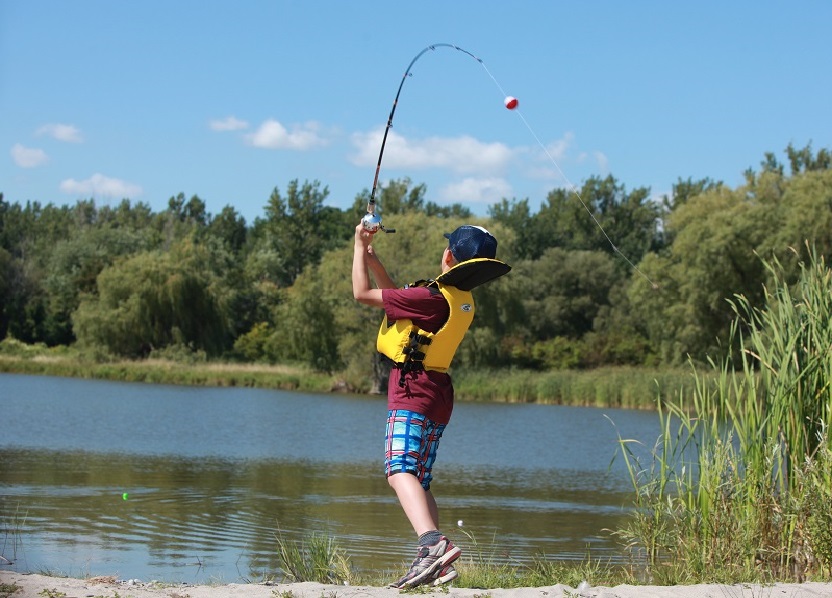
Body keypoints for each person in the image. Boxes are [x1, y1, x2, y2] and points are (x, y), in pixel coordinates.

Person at [352, 221, 509, 588]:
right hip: (437, 391)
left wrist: (359, 246)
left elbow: (361, 294)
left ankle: (432, 544)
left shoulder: (431, 298)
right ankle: (435, 560)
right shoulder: (455, 300)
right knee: (419, 479)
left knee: (398, 468)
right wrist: (376, 263)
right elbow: (398, 307)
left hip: (413, 390)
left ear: (448, 256)